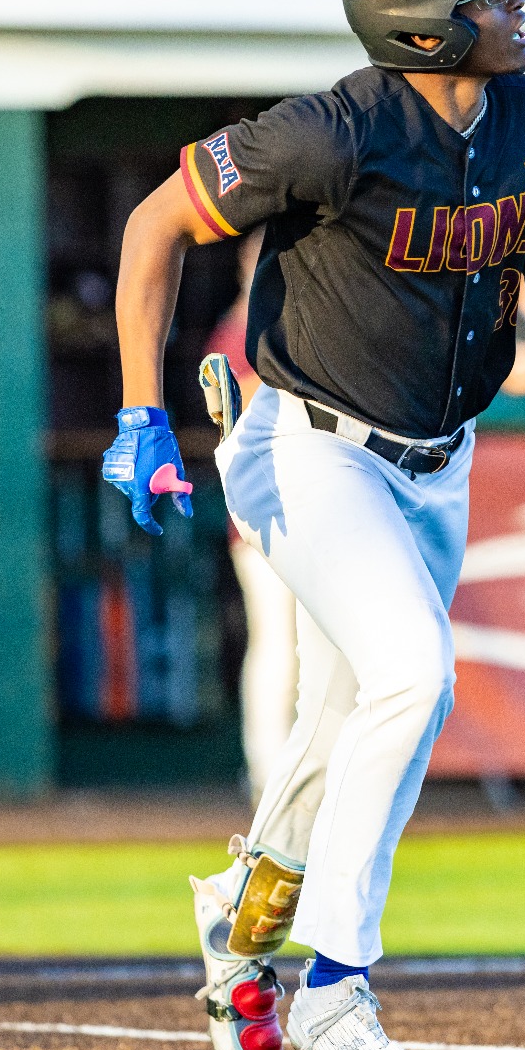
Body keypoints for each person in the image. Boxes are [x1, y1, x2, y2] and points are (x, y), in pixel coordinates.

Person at [105, 0, 525, 1050]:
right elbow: (153, 224)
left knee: (347, 712)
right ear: (427, 29)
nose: (515, 1)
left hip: (439, 459)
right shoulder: (328, 131)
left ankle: (239, 912)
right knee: (413, 676)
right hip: (308, 445)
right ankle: (335, 986)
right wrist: (140, 410)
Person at [200, 231, 297, 800]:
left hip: (309, 513)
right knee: (276, 646)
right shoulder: (237, 333)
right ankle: (267, 773)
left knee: (313, 654)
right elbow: (242, 404)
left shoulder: (288, 329)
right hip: (261, 516)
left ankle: (300, 776)